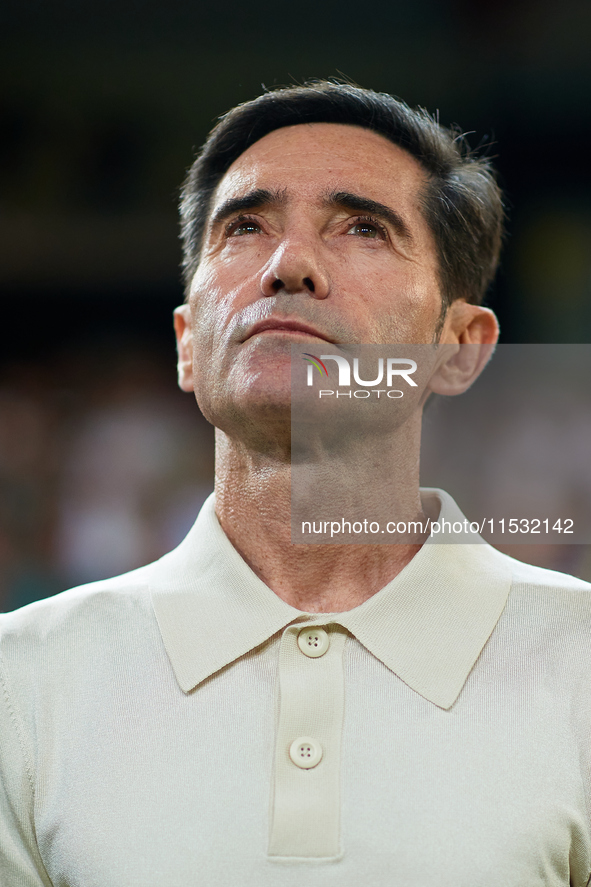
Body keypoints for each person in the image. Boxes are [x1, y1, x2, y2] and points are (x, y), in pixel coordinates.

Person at [1, 81, 590, 887]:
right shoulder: (21, 684)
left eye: (361, 228)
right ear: (185, 341)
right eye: (244, 226)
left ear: (459, 347)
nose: (289, 266)